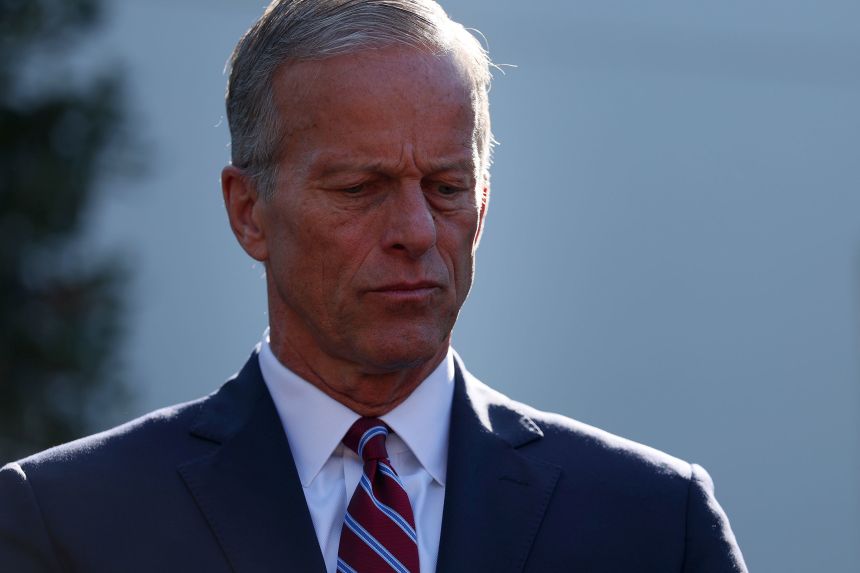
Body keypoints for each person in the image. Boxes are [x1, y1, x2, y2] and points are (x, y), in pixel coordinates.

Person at [0, 1, 748, 571]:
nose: (417, 231)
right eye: (362, 186)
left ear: (482, 206)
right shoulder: (67, 520)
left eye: (448, 187)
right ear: (248, 211)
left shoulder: (651, 521)